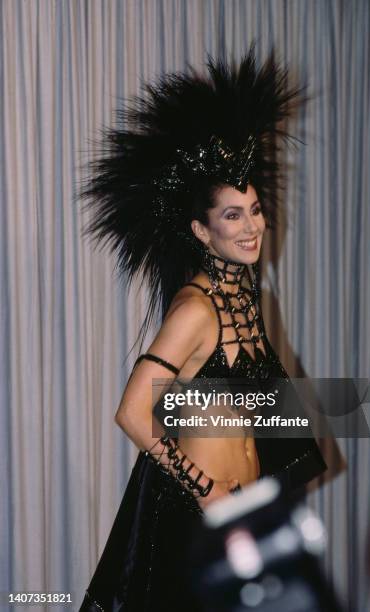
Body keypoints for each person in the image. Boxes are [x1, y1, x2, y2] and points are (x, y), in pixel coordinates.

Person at [79, 48, 327, 612]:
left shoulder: (243, 297)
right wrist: (209, 490)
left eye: (256, 209)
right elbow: (132, 413)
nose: (252, 226)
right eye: (232, 216)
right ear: (201, 230)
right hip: (193, 516)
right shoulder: (196, 310)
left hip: (245, 511)